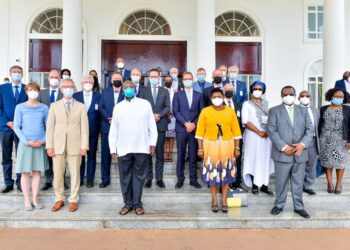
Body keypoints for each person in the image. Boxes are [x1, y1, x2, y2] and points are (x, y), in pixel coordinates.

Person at [109, 80, 157, 216]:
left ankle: (137, 203)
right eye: (125, 87)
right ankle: (127, 203)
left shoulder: (145, 104)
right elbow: (114, 130)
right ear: (122, 90)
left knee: (139, 177)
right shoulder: (118, 107)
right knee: (125, 177)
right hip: (123, 148)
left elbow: (152, 126)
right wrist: (113, 149)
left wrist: (152, 143)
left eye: (131, 87)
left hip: (141, 146)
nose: (128, 89)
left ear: (135, 89)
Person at [267, 86, 313, 219]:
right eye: (285, 94)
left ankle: (299, 207)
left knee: (298, 183)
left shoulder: (303, 111)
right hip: (282, 154)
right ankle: (279, 205)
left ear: (295, 95)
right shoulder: (274, 111)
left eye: (291, 94)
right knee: (281, 182)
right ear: (281, 96)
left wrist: (302, 144)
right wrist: (283, 147)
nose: (288, 96)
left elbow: (310, 130)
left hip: (300, 153)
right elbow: (271, 130)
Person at [196, 88, 242, 213]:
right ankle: (214, 199)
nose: (217, 98)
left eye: (219, 96)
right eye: (214, 96)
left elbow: (237, 132)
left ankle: (224, 200)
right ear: (211, 98)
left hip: (228, 145)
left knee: (225, 172)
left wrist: (237, 148)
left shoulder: (230, 111)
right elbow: (199, 133)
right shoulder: (205, 111)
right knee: (213, 172)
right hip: (210, 145)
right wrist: (200, 149)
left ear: (223, 97)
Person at [46, 78, 89, 212]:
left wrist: (84, 146)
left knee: (75, 173)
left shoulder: (81, 106)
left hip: (75, 145)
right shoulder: (54, 106)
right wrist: (49, 145)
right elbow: (50, 127)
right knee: (58, 173)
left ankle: (73, 199)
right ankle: (59, 198)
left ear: (74, 89)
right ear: (61, 89)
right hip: (57, 144)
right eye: (66, 87)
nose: (69, 89)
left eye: (71, 87)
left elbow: (84, 128)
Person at [13, 83, 48, 211]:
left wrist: (43, 141)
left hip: (40, 144)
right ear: (26, 91)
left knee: (37, 172)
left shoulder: (44, 108)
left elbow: (49, 126)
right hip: (26, 144)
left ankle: (35, 199)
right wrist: (26, 141)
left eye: (35, 90)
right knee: (25, 173)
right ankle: (27, 200)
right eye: (30, 90)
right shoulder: (20, 107)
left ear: (39, 92)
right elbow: (16, 126)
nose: (33, 92)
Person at [241, 81, 274, 195]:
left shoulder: (268, 104)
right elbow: (245, 121)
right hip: (253, 136)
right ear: (251, 90)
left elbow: (272, 120)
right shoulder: (246, 104)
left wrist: (267, 132)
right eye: (255, 88)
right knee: (253, 158)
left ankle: (265, 185)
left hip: (266, 137)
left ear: (263, 91)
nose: (257, 91)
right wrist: (258, 132)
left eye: (260, 89)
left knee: (265, 159)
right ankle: (255, 185)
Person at [173, 71, 204, 189]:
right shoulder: (177, 95)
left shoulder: (199, 95)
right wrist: (186, 123)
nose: (187, 80)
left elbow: (202, 111)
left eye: (189, 79)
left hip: (194, 129)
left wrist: (194, 124)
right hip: (181, 128)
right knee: (180, 154)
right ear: (183, 81)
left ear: (193, 79)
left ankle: (193, 179)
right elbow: (176, 111)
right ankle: (180, 179)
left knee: (192, 155)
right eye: (185, 79)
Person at [0, 65, 28, 193]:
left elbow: (29, 108)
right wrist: (7, 122)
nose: (17, 74)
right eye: (14, 72)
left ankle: (20, 182)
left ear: (23, 75)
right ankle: (8, 183)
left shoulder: (27, 89)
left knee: (21, 156)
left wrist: (19, 123)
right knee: (6, 157)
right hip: (6, 128)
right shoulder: (2, 88)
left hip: (21, 129)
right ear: (10, 74)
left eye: (19, 72)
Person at [319, 88, 350, 194]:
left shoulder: (347, 109)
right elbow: (319, 124)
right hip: (325, 138)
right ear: (331, 96)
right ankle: (330, 183)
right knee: (327, 162)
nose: (339, 98)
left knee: (340, 162)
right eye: (336, 96)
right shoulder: (323, 108)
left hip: (341, 139)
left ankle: (339, 184)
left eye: (341, 97)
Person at [143, 69, 170, 189]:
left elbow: (168, 106)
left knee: (159, 153)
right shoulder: (143, 91)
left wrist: (158, 115)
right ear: (148, 78)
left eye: (155, 76)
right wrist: (151, 116)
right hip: (147, 127)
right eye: (151, 76)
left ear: (159, 78)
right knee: (148, 154)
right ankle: (148, 178)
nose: (153, 78)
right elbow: (141, 107)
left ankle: (159, 178)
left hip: (160, 124)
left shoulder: (164, 91)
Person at [38, 69, 65, 191]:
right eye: (52, 77)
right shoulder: (41, 94)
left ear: (60, 79)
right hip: (46, 130)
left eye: (56, 77)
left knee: (61, 155)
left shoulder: (64, 93)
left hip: (61, 130)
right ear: (48, 79)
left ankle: (61, 180)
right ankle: (49, 180)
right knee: (48, 155)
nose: (54, 79)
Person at [73, 75, 100, 188]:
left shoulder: (99, 96)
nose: (88, 83)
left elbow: (100, 114)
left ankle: (90, 179)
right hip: (78, 132)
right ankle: (79, 179)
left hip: (93, 132)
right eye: (86, 81)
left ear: (93, 84)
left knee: (92, 156)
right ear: (82, 83)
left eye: (90, 82)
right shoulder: (75, 96)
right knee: (80, 157)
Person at [99, 72, 124, 188]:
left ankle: (124, 179)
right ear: (111, 81)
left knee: (123, 155)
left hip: (122, 128)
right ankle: (105, 179)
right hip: (107, 127)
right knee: (105, 155)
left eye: (119, 79)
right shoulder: (104, 92)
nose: (117, 80)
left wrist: (117, 120)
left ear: (122, 81)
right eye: (115, 79)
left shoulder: (126, 93)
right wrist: (109, 118)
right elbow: (101, 107)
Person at [223, 83, 246, 191]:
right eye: (227, 89)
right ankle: (224, 182)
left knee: (237, 160)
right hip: (222, 139)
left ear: (234, 91)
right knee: (223, 160)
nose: (229, 91)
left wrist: (238, 134)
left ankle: (237, 181)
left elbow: (242, 123)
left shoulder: (239, 106)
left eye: (231, 90)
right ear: (223, 91)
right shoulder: (218, 105)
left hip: (236, 138)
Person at [298, 90, 320, 195]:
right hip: (300, 141)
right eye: (302, 96)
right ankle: (298, 185)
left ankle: (308, 186)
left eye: (307, 96)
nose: (305, 97)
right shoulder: (295, 110)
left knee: (311, 165)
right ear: (298, 98)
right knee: (299, 164)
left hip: (313, 141)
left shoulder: (315, 110)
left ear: (310, 98)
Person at [164, 75, 176, 162]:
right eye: (166, 80)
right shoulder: (162, 90)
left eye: (170, 80)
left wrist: (173, 112)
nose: (168, 81)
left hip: (173, 115)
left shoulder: (175, 91)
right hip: (164, 116)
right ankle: (165, 154)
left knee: (172, 136)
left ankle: (170, 154)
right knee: (164, 136)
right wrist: (166, 113)